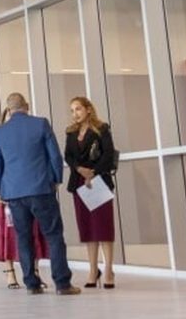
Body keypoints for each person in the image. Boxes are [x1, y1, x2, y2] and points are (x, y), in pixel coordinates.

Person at [0, 92, 80, 296]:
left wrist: (1, 190)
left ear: (9, 110)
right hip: (41, 189)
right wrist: (56, 179)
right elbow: (55, 155)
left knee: (23, 237)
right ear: (27, 105)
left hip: (14, 194)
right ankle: (62, 284)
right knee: (54, 235)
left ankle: (31, 283)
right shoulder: (40, 124)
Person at [0, 108, 49, 289]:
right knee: (8, 233)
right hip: (7, 191)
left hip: (27, 191)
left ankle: (35, 272)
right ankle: (10, 273)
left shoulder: (29, 134)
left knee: (32, 231)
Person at [64, 97, 117, 289]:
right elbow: (68, 155)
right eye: (72, 110)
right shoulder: (70, 132)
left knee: (103, 227)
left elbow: (108, 154)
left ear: (88, 109)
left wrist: (92, 173)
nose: (75, 113)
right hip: (79, 182)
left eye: (78, 109)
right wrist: (79, 169)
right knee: (87, 228)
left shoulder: (101, 128)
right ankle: (93, 270)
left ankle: (109, 269)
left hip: (98, 182)